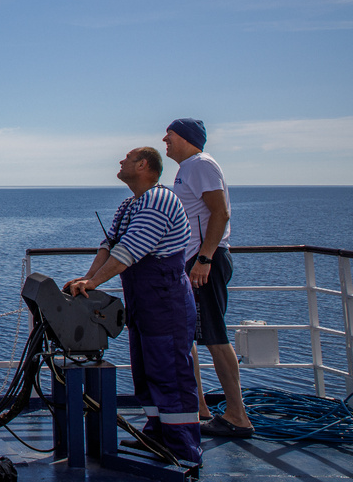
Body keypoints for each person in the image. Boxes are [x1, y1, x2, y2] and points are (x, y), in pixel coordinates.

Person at [68, 147, 201, 464]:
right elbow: (109, 245)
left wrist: (94, 283)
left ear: (143, 165)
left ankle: (183, 449)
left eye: (126, 159)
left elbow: (129, 251)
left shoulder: (159, 200)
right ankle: (157, 434)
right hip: (142, 299)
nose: (120, 162)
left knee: (170, 371)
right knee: (146, 370)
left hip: (165, 298)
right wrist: (86, 279)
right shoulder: (130, 205)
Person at [164, 118, 254, 439]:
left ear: (186, 138)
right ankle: (199, 407)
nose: (165, 140)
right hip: (193, 263)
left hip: (206, 264)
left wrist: (204, 258)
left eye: (170, 135)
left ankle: (237, 416)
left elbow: (220, 212)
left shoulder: (200, 164)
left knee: (215, 337)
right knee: (191, 337)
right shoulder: (188, 168)